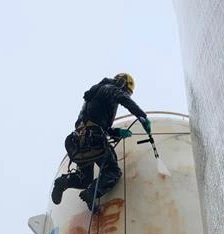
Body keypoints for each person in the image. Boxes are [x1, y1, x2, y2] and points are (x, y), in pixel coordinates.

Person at [51, 73, 152, 212]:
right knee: (112, 171)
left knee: (84, 179)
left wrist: (117, 132)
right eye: (128, 92)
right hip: (95, 140)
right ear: (122, 84)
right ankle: (92, 192)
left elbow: (97, 122)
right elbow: (122, 98)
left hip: (78, 142)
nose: (127, 95)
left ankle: (64, 182)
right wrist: (142, 116)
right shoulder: (110, 88)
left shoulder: (95, 94)